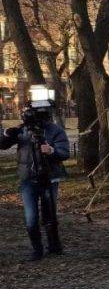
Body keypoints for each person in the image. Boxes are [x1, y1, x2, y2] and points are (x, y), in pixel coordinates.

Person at [0, 106, 70, 261]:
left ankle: (54, 246)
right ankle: (37, 249)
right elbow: (3, 144)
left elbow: (65, 152)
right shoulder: (22, 130)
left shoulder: (55, 130)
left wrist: (52, 151)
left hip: (49, 178)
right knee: (31, 217)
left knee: (49, 214)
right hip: (28, 180)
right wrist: (7, 134)